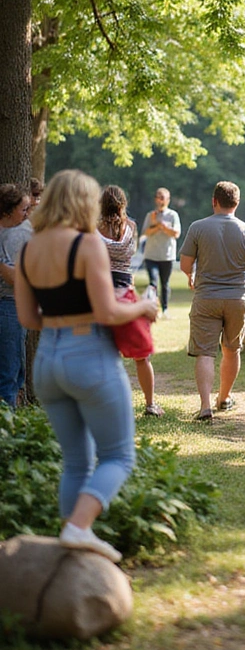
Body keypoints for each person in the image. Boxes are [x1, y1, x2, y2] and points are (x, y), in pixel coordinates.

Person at [14, 169, 158, 563]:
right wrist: (144, 307)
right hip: (89, 354)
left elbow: (28, 318)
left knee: (76, 461)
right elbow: (108, 312)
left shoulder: (28, 249)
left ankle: (70, 550)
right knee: (119, 456)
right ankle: (79, 527)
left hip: (48, 359)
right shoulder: (87, 243)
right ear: (83, 203)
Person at [180, 181, 245, 421]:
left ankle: (205, 407)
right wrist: (242, 269)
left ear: (214, 201)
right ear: (237, 203)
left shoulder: (198, 227)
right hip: (237, 299)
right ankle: (224, 397)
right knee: (231, 349)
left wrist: (191, 275)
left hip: (206, 297)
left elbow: (185, 264)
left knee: (205, 352)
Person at [98, 185, 164, 417]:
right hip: (126, 289)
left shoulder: (94, 229)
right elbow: (131, 256)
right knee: (141, 355)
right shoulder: (132, 227)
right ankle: (150, 403)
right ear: (123, 203)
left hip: (102, 289)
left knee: (106, 353)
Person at [0, 184, 32, 407]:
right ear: (8, 211)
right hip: (8, 306)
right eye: (23, 209)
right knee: (9, 373)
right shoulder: (10, 237)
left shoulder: (20, 232)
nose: (27, 213)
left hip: (16, 305)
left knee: (15, 370)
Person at [141, 187, 181, 317]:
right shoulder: (150, 215)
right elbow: (146, 232)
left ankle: (165, 309)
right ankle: (153, 308)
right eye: (158, 197)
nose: (160, 200)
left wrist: (161, 226)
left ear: (168, 200)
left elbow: (176, 233)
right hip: (151, 255)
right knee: (153, 283)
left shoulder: (173, 215)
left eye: (162, 198)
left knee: (165, 284)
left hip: (167, 256)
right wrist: (156, 225)